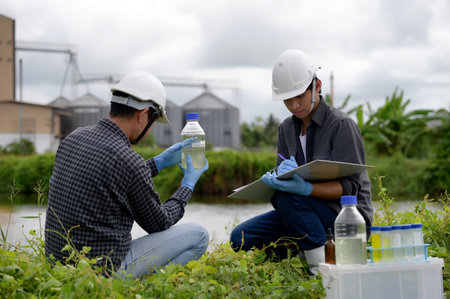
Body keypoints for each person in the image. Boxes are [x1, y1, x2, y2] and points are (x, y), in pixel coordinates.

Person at [45, 71, 210, 278]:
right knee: (199, 235)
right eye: (152, 122)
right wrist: (188, 184)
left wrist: (157, 163)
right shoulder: (129, 161)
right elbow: (159, 222)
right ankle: (145, 287)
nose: (149, 131)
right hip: (102, 273)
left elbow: (116, 179)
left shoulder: (73, 138)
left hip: (58, 266)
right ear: (142, 115)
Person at [230, 49, 372, 274]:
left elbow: (350, 190)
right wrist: (277, 179)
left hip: (345, 219)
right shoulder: (286, 129)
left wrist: (305, 188)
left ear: (317, 86)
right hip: (302, 214)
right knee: (240, 237)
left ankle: (319, 270)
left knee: (286, 196)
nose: (294, 105)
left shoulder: (341, 126)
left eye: (299, 96)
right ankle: (300, 256)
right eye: (287, 99)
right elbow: (284, 177)